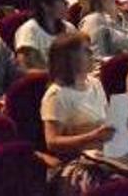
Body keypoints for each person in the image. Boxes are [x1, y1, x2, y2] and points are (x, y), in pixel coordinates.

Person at [40, 33, 116, 195]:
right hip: (78, 162)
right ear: (70, 58)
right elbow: (52, 142)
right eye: (86, 51)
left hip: (106, 154)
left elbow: (107, 121)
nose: (92, 55)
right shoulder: (56, 95)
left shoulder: (95, 83)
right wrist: (92, 136)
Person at [16, 0, 78, 71]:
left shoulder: (69, 28)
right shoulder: (29, 31)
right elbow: (26, 69)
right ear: (45, 5)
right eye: (61, 0)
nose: (67, 3)